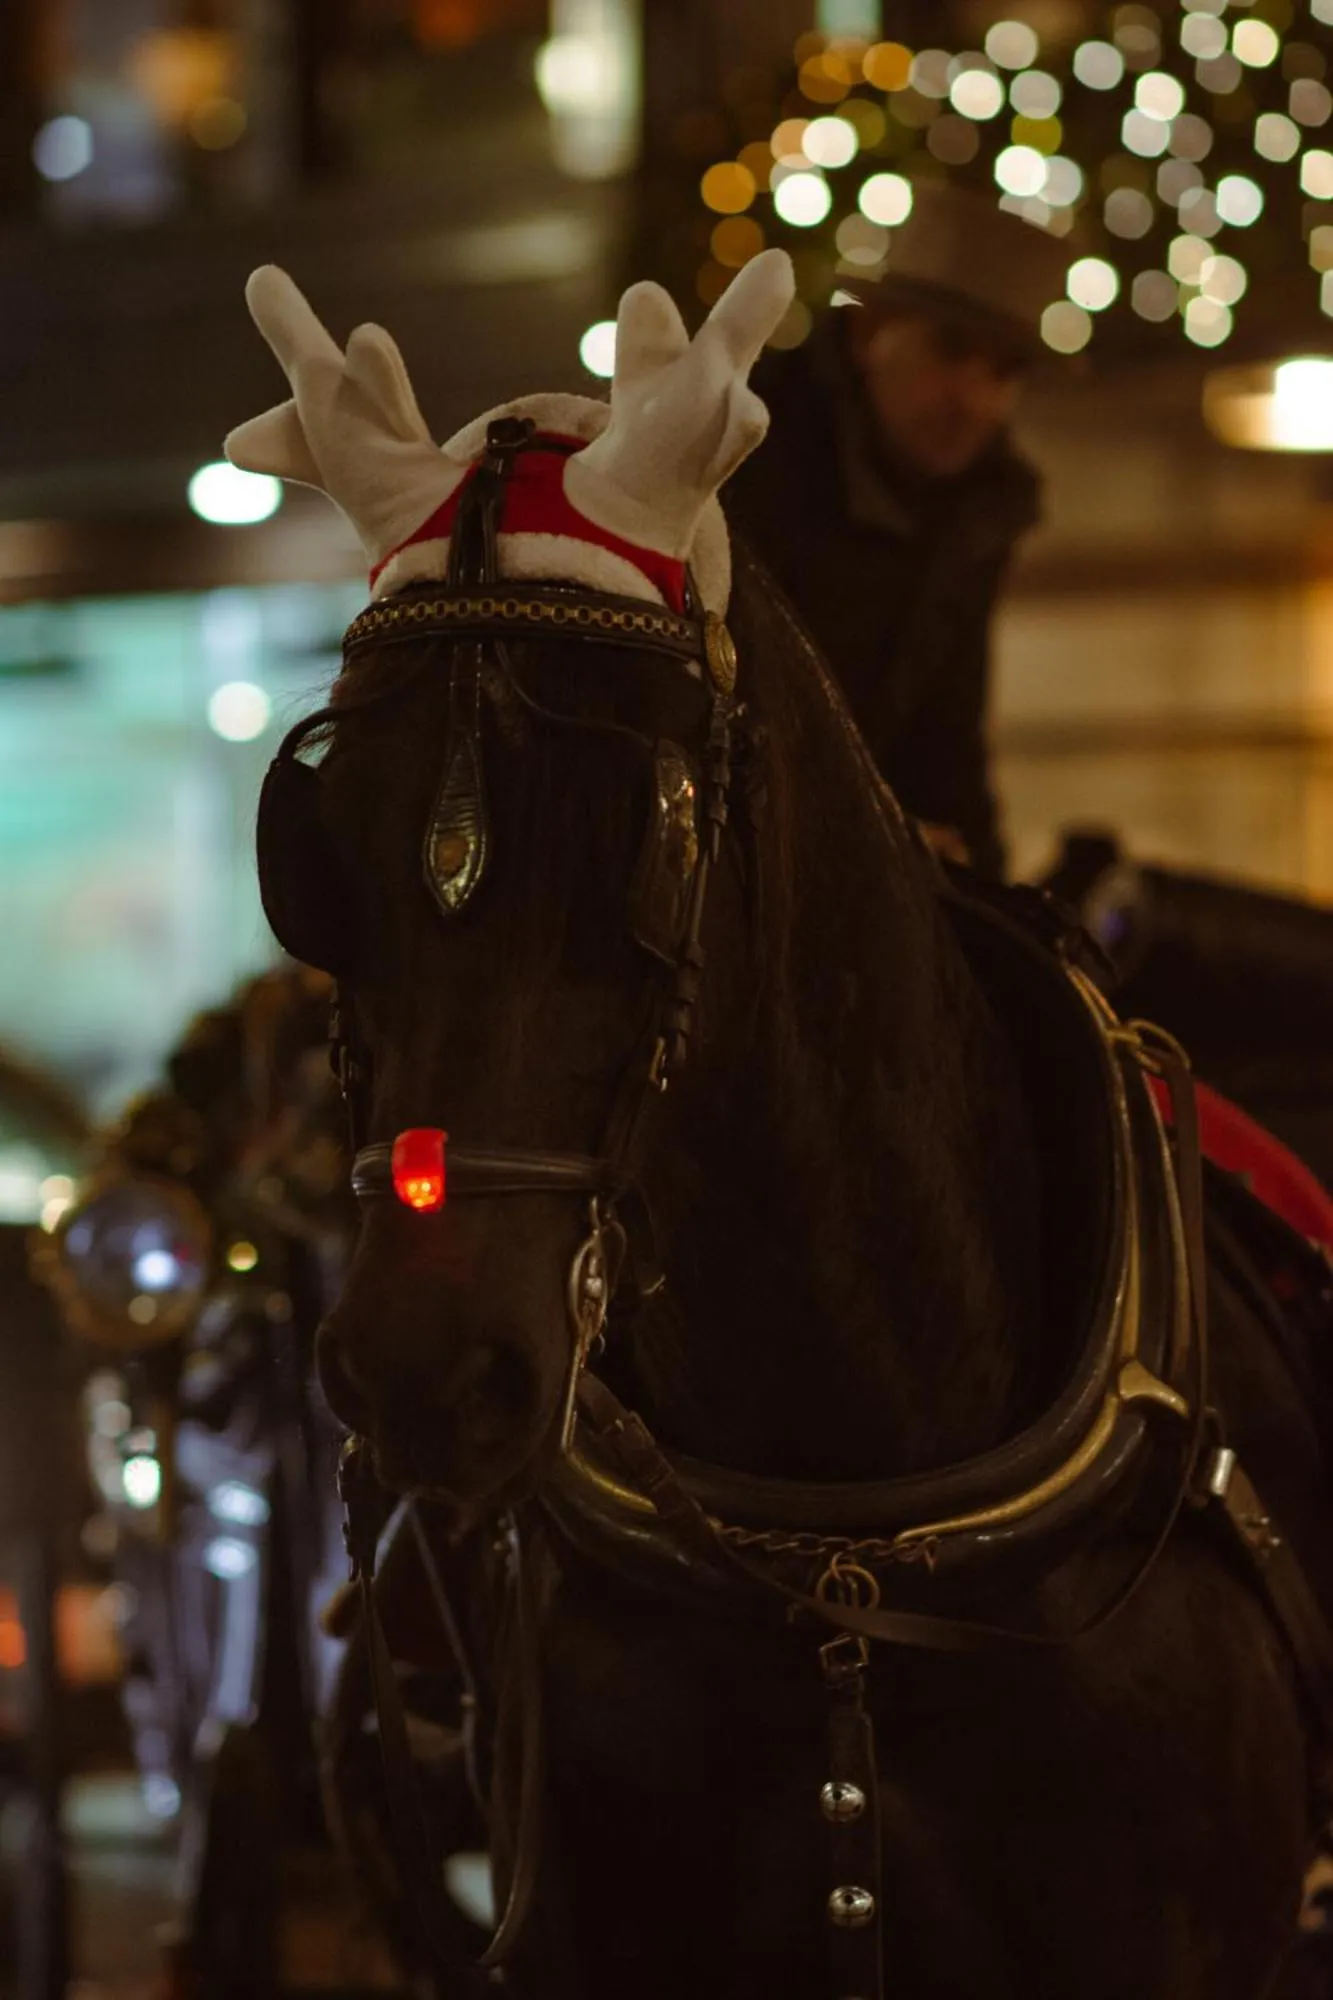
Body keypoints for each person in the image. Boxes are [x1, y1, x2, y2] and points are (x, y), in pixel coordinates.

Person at [725, 180, 1070, 878]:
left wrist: (991, 903)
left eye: (1003, 370)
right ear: (868, 332)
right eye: (950, 350)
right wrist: (875, 831)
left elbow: (947, 742)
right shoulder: (747, 459)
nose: (973, 398)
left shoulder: (977, 514)